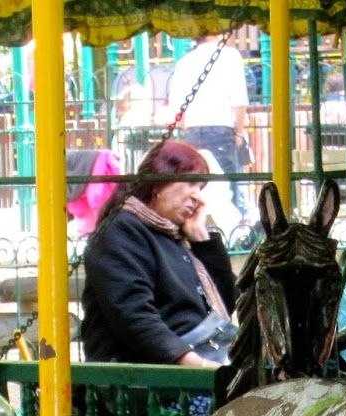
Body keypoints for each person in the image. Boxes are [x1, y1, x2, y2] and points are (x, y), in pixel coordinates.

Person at [81, 141, 239, 372]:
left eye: (201, 189)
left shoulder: (174, 236)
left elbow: (224, 304)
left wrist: (201, 239)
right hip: (145, 380)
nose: (199, 199)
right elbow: (134, 317)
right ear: (159, 183)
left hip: (191, 364)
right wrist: (195, 364)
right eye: (191, 184)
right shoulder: (121, 232)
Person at [164, 33, 250, 213]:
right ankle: (234, 234)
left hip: (193, 131)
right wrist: (239, 133)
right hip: (221, 129)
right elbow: (240, 100)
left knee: (198, 188)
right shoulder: (230, 56)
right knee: (228, 188)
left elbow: (177, 106)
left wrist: (186, 128)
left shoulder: (184, 62)